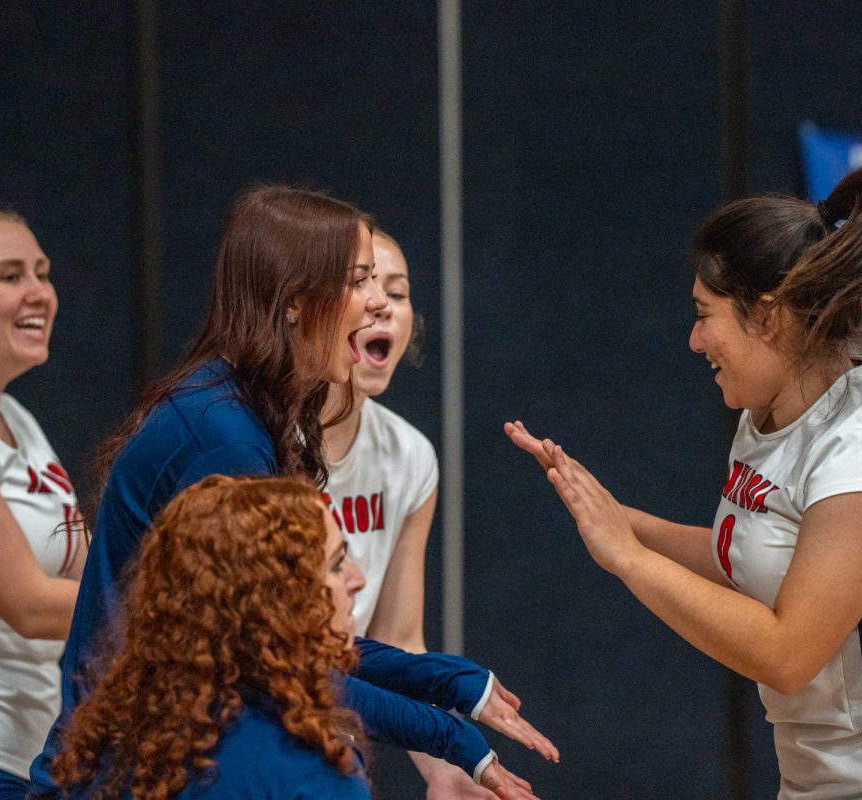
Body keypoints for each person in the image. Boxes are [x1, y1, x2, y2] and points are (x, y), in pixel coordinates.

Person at [507, 156, 862, 799]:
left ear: (769, 315)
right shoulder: (769, 415)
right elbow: (751, 558)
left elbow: (788, 654)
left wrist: (628, 560)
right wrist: (615, 518)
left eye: (705, 314)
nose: (695, 341)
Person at [28, 186, 553, 799]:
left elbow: (295, 643)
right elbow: (277, 662)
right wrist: (451, 735)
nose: (380, 302)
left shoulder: (249, 411)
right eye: (360, 281)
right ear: (298, 302)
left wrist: (454, 682)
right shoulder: (223, 438)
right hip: (136, 773)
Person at [51, 475, 376, 798]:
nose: (357, 579)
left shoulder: (114, 750)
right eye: (335, 565)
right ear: (275, 602)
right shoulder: (308, 775)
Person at [323, 229, 499, 797]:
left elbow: (399, 642)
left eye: (396, 293)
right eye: (362, 286)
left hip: (336, 742)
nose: (383, 309)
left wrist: (447, 765)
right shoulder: (259, 443)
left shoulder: (410, 456)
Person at [0, 208, 88, 800]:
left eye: (43, 274)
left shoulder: (20, 420)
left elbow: (92, 570)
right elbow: (30, 605)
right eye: (11, 275)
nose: (40, 293)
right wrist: (179, 604)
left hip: (39, 756)